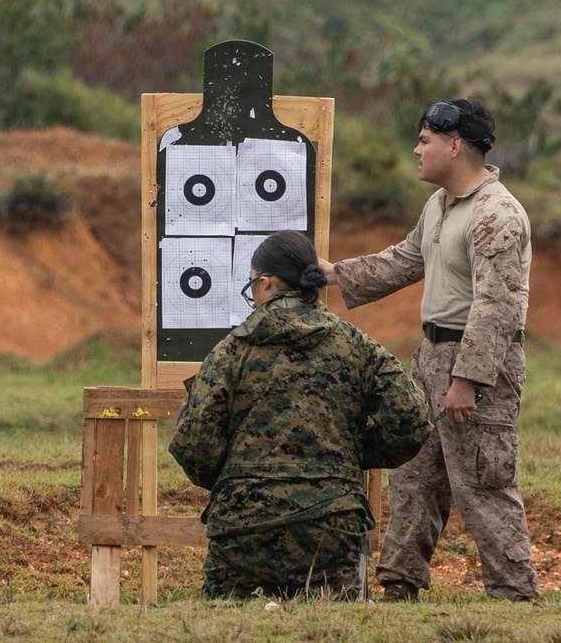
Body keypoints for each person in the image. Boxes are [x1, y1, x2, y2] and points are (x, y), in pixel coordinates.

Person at [319, 98, 538, 602]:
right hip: (431, 356)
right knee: (415, 476)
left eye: (425, 140)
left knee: (482, 480)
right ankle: (400, 582)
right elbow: (405, 259)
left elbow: (497, 307)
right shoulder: (439, 206)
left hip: (475, 363)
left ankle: (513, 592)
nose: (416, 150)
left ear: (455, 144)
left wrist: (468, 380)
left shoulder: (497, 214)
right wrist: (337, 275)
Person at [169, 230, 432, 600]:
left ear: (266, 283)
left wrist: (236, 480)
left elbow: (192, 444)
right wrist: (352, 452)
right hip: (332, 535)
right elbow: (413, 421)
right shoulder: (357, 345)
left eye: (252, 285)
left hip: (242, 536)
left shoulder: (230, 352)